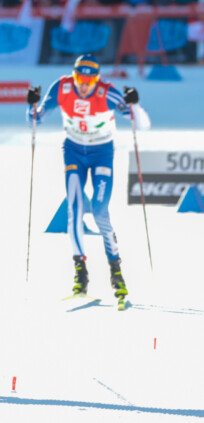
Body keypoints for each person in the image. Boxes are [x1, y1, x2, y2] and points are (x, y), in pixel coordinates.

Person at [26, 54, 150, 307]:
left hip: (101, 153)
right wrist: (32, 105)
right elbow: (36, 119)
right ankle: (80, 273)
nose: (84, 84)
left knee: (101, 210)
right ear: (74, 76)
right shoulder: (62, 87)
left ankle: (115, 267)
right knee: (74, 208)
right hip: (73, 151)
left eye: (89, 79)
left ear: (97, 79)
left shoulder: (106, 92)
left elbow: (142, 124)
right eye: (79, 78)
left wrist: (134, 105)